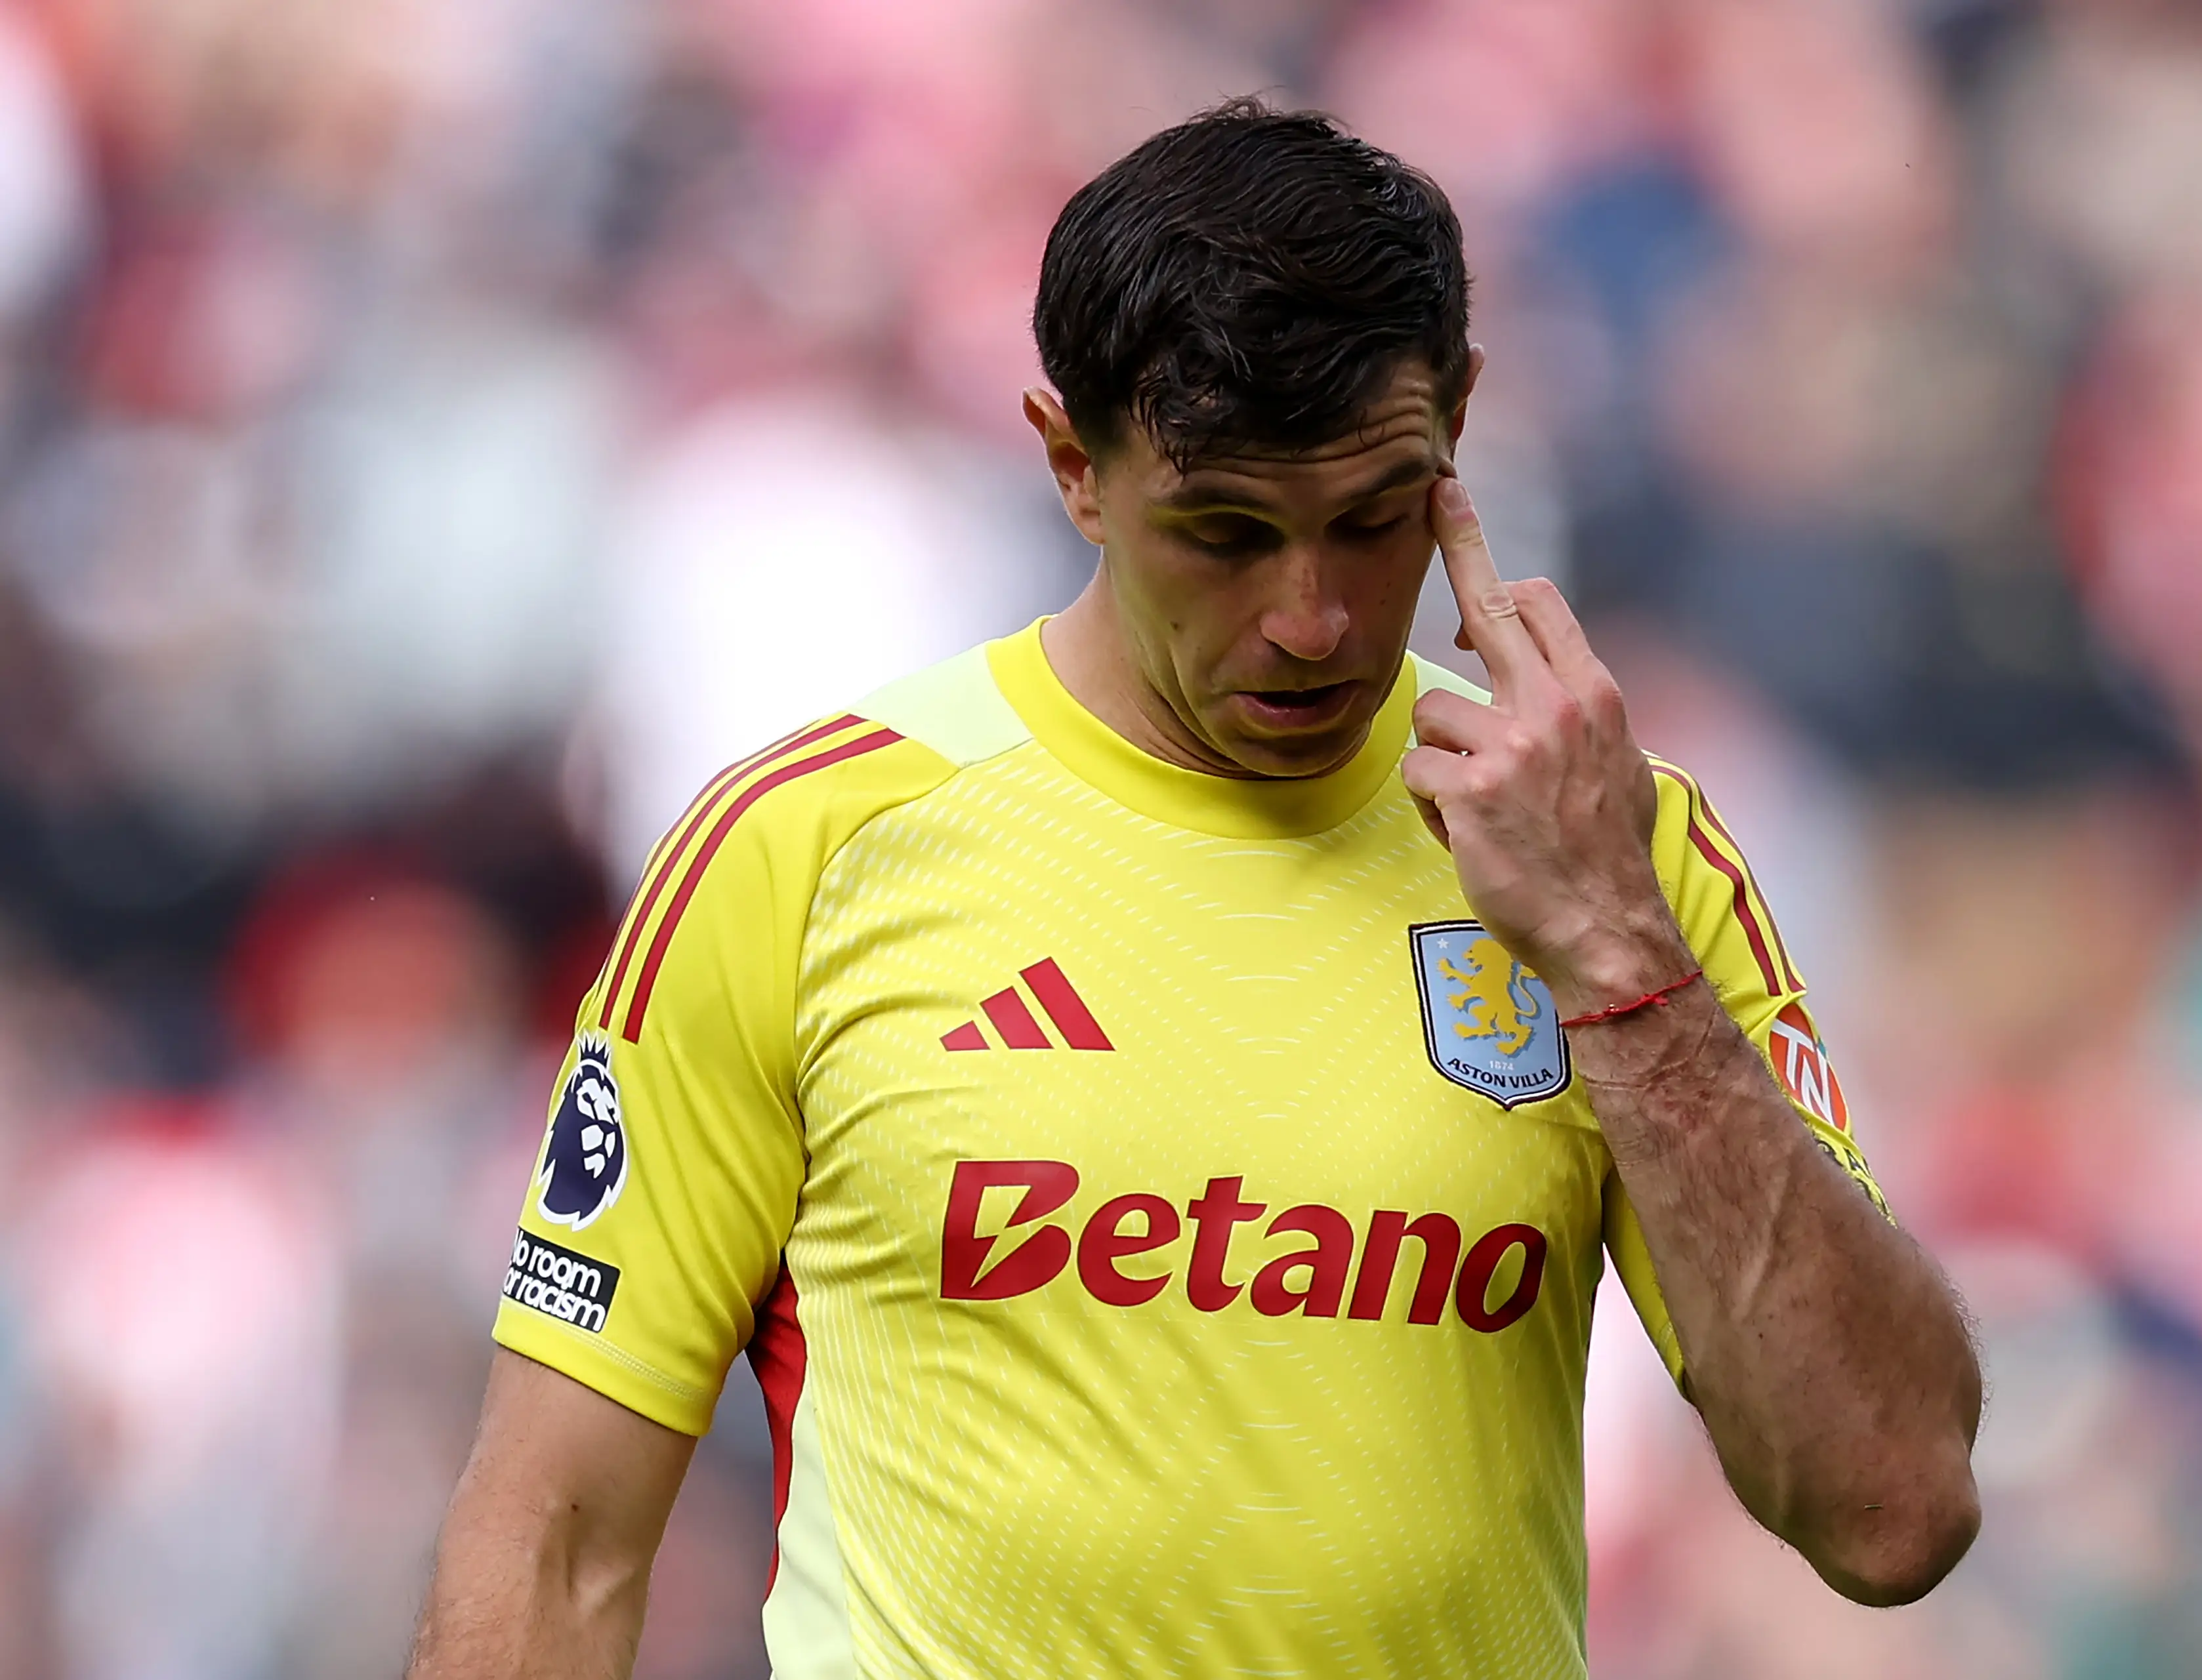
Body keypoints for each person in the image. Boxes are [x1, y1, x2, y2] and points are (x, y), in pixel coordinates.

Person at [406, 100, 1982, 1680]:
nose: (1310, 618)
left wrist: (1620, 957)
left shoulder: (1609, 851)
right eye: (1224, 533)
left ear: (1463, 427)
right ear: (1071, 464)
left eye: (1374, 522)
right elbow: (555, 1543)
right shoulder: (801, 851)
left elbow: (1893, 1507)